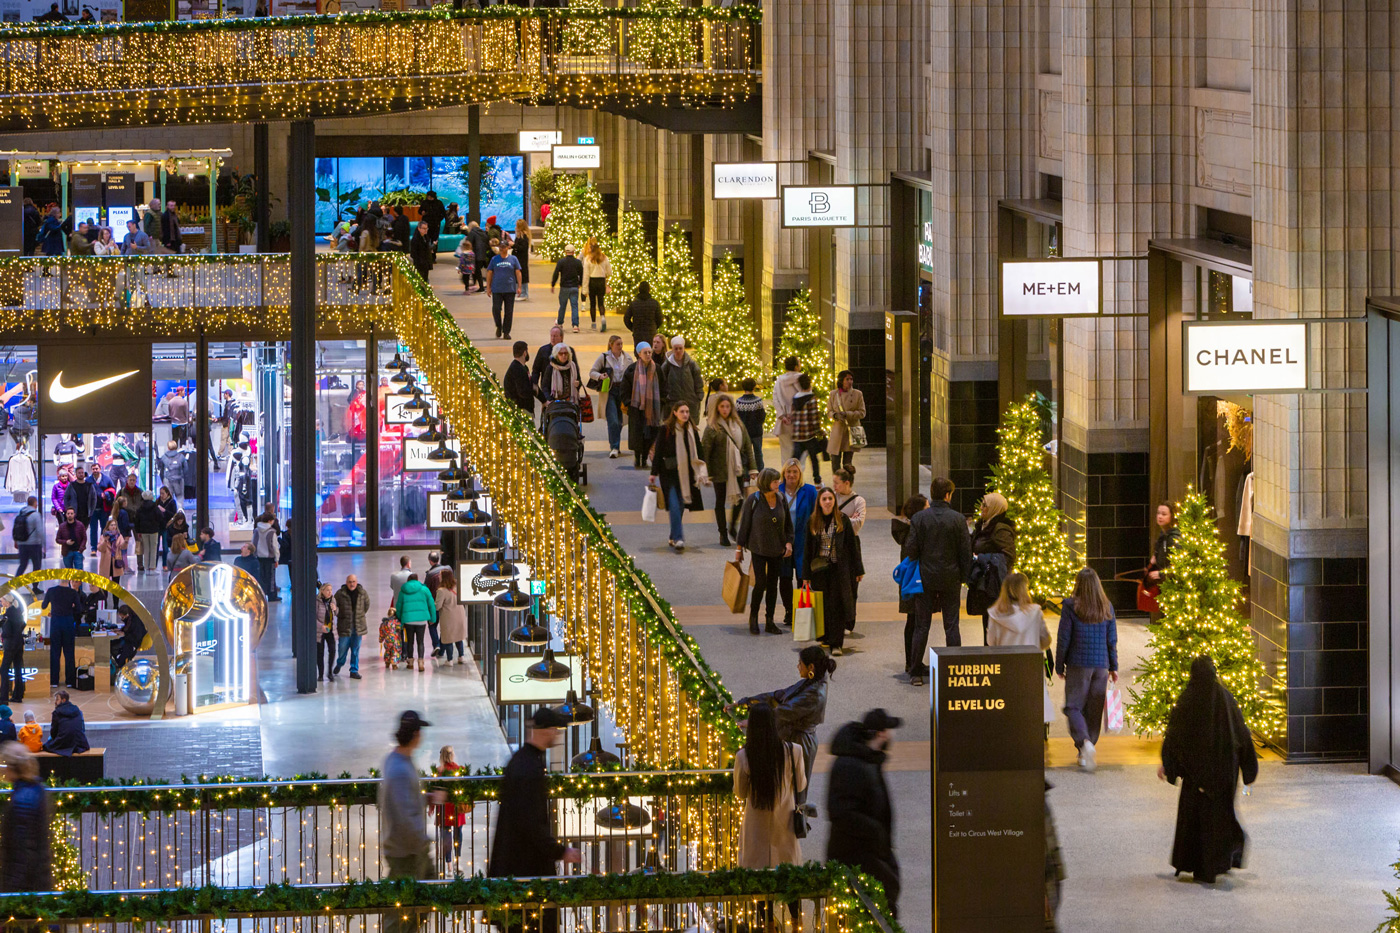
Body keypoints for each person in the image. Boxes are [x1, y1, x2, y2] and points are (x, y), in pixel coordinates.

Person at [1158, 655, 1260, 884]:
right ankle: (1217, 863)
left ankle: (1196, 863)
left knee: (1195, 818)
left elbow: (1174, 736)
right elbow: (1242, 733)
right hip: (1225, 772)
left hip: (1197, 776)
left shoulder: (1187, 700)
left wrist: (1169, 765)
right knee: (1220, 818)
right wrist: (1249, 768)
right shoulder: (1226, 699)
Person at [490, 706, 581, 888]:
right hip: (525, 868)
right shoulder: (530, 769)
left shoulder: (522, 761)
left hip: (513, 864)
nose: (557, 735)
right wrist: (560, 851)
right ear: (547, 731)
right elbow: (531, 821)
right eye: (555, 730)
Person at [727, 645, 834, 798]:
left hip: (801, 743)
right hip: (791, 737)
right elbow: (778, 695)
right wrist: (745, 702)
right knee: (785, 786)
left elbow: (781, 712)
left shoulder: (814, 693)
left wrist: (753, 721)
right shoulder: (811, 681)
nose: (798, 667)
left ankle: (797, 821)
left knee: (796, 789)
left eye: (800, 664)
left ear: (811, 667)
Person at [826, 709, 903, 918]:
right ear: (881, 734)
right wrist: (876, 832)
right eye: (888, 730)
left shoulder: (867, 761)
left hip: (868, 855)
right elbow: (841, 813)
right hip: (857, 859)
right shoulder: (851, 765)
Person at [379, 710, 446, 931]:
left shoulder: (396, 759)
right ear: (416, 734)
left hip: (408, 850)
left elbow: (403, 800)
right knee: (401, 916)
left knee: (419, 901)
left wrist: (425, 799)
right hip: (407, 852)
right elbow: (403, 817)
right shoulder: (399, 769)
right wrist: (422, 842)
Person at [900, 477, 972, 685]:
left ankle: (915, 673)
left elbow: (911, 550)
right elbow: (965, 552)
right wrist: (964, 578)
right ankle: (954, 669)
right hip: (951, 578)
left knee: (922, 626)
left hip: (925, 578)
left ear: (932, 493)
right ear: (949, 494)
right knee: (951, 625)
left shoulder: (920, 518)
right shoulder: (958, 519)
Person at [1055, 567, 1119, 772]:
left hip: (1078, 664)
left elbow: (1063, 638)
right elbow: (1111, 641)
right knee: (1093, 710)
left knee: (1073, 707)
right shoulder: (1107, 606)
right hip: (1101, 665)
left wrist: (1059, 664)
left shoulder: (1070, 606)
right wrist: (1113, 666)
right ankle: (1085, 750)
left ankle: (1084, 744)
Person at [733, 704, 805, 870]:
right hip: (784, 824)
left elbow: (740, 792)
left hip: (755, 827)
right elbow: (800, 785)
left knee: (757, 878)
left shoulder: (744, 756)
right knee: (787, 875)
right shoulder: (794, 751)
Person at [802, 486, 864, 655]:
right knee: (824, 605)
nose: (828, 502)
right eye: (824, 499)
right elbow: (807, 549)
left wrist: (859, 570)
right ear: (819, 503)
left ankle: (836, 643)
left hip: (839, 569)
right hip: (819, 570)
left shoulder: (842, 520)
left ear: (834, 502)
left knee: (837, 605)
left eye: (830, 499)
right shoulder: (813, 521)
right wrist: (805, 575)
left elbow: (852, 547)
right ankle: (826, 636)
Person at [987, 572, 1055, 725]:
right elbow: (1045, 639)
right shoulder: (1035, 612)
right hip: (1031, 667)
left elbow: (991, 642)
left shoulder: (995, 615)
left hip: (1005, 667)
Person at [735, 468, 793, 635]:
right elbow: (744, 525)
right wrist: (739, 549)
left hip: (777, 550)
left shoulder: (781, 498)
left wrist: (789, 543)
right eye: (775, 481)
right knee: (760, 583)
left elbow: (788, 524)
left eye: (778, 481)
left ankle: (769, 620)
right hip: (759, 548)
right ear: (766, 482)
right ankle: (753, 618)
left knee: (773, 585)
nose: (779, 484)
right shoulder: (754, 500)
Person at [701, 393, 756, 547]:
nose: (725, 409)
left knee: (739, 501)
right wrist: (705, 472)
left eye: (727, 406)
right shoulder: (712, 428)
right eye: (722, 407)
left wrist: (752, 468)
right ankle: (723, 533)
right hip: (719, 471)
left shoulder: (738, 425)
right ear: (717, 408)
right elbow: (705, 451)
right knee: (720, 502)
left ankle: (732, 528)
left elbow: (747, 447)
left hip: (737, 469)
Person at [650, 402, 705, 552]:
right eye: (682, 411)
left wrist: (702, 470)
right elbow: (659, 451)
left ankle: (673, 534)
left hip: (687, 474)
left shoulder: (692, 431)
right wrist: (653, 473)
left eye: (687, 411)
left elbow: (699, 452)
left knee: (680, 506)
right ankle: (679, 538)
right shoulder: (666, 429)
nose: (685, 414)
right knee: (674, 504)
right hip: (668, 473)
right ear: (674, 412)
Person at [0, 743, 51, 894]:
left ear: (10, 768)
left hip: (24, 887)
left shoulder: (22, 800)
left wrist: (11, 890)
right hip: (38, 879)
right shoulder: (37, 788)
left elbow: (22, 851)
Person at [970, 491, 1016, 643]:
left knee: (994, 622)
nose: (982, 508)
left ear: (995, 508)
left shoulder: (1000, 530)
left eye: (985, 505)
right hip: (986, 583)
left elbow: (1008, 557)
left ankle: (994, 655)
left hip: (996, 584)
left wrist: (981, 558)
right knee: (988, 621)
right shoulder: (984, 525)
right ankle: (988, 652)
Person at [777, 460, 818, 627]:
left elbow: (816, 512)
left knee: (803, 577)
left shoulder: (809, 491)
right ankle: (788, 611)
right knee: (785, 577)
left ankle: (802, 611)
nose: (791, 475)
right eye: (788, 471)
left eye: (795, 471)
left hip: (804, 540)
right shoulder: (777, 490)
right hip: (783, 540)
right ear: (784, 473)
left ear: (800, 474)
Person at [619, 342, 663, 469]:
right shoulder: (632, 370)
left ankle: (645, 457)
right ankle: (638, 457)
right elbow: (624, 388)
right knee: (638, 434)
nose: (648, 355)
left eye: (650, 352)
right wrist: (628, 403)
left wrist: (662, 401)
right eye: (645, 352)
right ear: (639, 354)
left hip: (652, 409)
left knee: (650, 433)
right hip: (636, 408)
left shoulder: (657, 369)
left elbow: (663, 387)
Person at [590, 335, 632, 458]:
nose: (620, 347)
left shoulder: (627, 358)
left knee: (620, 422)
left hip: (623, 391)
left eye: (621, 344)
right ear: (611, 345)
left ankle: (616, 445)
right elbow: (592, 372)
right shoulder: (604, 357)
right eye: (618, 344)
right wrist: (600, 376)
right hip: (609, 391)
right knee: (612, 420)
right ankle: (614, 447)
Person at [394, 573, 437, 672]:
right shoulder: (424, 589)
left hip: (408, 620)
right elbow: (431, 605)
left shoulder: (403, 591)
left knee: (410, 641)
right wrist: (432, 619)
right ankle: (421, 662)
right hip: (421, 620)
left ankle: (410, 662)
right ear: (417, 580)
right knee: (420, 641)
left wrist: (400, 618)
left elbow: (399, 606)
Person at [827, 370, 866, 471]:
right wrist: (835, 415)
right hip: (837, 431)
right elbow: (829, 412)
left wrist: (848, 414)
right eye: (847, 379)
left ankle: (847, 483)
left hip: (851, 432)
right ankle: (837, 483)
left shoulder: (858, 394)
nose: (850, 381)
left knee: (847, 464)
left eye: (851, 379)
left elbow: (862, 413)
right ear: (841, 380)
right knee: (835, 463)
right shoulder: (833, 394)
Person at [789, 373, 824, 485]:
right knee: (814, 459)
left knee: (794, 460)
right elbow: (814, 418)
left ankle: (789, 479)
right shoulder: (811, 398)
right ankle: (817, 480)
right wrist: (819, 431)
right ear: (810, 384)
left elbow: (793, 416)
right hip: (808, 435)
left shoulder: (795, 398)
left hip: (797, 435)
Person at [434, 745, 466, 868]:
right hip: (456, 807)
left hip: (444, 808)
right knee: (458, 834)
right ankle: (458, 862)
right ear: (452, 755)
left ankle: (448, 866)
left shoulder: (438, 771)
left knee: (446, 835)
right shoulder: (459, 770)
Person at [333, 574, 368, 680]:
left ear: (356, 582)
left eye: (353, 582)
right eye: (349, 582)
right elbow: (335, 609)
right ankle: (340, 663)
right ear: (346, 582)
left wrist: (359, 615)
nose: (351, 584)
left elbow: (366, 605)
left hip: (358, 627)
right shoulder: (340, 594)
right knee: (342, 648)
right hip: (344, 627)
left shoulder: (362, 593)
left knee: (355, 650)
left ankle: (354, 670)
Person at [487, 241, 523, 339]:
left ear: (508, 247)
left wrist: (519, 286)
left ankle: (506, 332)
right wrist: (488, 287)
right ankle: (499, 325)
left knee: (509, 311)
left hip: (509, 289)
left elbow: (518, 272)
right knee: (496, 309)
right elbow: (490, 272)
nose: (502, 249)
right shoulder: (494, 259)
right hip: (497, 289)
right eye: (500, 247)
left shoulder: (513, 259)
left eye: (504, 247)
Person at [662, 336, 703, 416]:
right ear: (672, 349)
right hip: (672, 403)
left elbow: (698, 383)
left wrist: (698, 398)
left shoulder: (692, 365)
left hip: (690, 403)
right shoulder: (666, 366)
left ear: (684, 348)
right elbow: (662, 383)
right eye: (676, 348)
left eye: (680, 348)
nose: (678, 351)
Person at [772, 357, 802, 464]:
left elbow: (775, 399)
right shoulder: (802, 379)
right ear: (795, 366)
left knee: (785, 452)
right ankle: (798, 476)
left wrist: (782, 416)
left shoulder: (779, 380)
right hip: (800, 421)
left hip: (784, 421)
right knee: (800, 454)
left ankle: (786, 476)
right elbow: (806, 398)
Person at [435, 570, 467, 664]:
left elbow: (438, 606)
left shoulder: (441, 591)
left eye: (440, 575)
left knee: (449, 638)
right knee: (458, 637)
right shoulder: (457, 586)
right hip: (460, 615)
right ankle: (461, 656)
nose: (438, 577)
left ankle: (450, 660)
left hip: (448, 617)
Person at [43, 690, 89, 756]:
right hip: (79, 743)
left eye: (57, 700)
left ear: (63, 700)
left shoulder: (57, 712)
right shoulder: (78, 710)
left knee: (47, 743)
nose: (55, 702)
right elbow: (82, 728)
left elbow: (53, 732)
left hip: (63, 742)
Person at [735, 378, 767, 472]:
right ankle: (761, 473)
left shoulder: (739, 402)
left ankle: (746, 475)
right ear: (754, 387)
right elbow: (762, 416)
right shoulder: (758, 401)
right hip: (756, 432)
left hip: (744, 433)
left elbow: (737, 418)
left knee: (746, 454)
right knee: (758, 453)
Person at [1146, 501, 1181, 586]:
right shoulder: (1163, 536)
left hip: (1172, 585)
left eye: (1164, 514)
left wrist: (1161, 574)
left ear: (1172, 516)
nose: (1159, 516)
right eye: (1158, 513)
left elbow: (1179, 564)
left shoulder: (1174, 538)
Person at [551, 244, 584, 332]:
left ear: (565, 252)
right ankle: (575, 325)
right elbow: (581, 274)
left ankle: (560, 323)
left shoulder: (561, 262)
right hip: (574, 287)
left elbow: (556, 273)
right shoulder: (578, 262)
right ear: (574, 252)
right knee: (574, 306)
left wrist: (553, 284)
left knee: (562, 306)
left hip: (564, 287)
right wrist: (580, 283)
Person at [12, 497, 42, 588]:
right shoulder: (36, 515)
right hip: (34, 544)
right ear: (35, 503)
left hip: (22, 544)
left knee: (23, 565)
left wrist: (16, 541)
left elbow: (16, 529)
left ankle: (15, 584)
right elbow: (39, 531)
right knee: (36, 566)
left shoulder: (21, 513)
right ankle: (35, 587)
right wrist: (43, 543)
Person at [583, 238, 610, 331]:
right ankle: (602, 317)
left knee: (593, 303)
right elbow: (609, 272)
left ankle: (593, 323)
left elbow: (586, 275)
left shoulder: (588, 259)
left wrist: (585, 289)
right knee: (601, 302)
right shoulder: (605, 258)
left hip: (592, 281)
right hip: (601, 281)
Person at [624, 281, 663, 347]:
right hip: (651, 332)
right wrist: (654, 327)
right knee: (650, 351)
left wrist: (633, 328)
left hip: (638, 332)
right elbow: (660, 319)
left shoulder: (634, 304)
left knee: (639, 351)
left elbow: (626, 318)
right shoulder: (655, 303)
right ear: (649, 290)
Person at [0, 596, 23, 704]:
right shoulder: (17, 611)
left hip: (10, 645)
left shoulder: (8, 615)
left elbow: (7, 632)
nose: (1, 602)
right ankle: (18, 695)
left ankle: (3, 697)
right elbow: (23, 624)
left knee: (4, 669)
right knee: (18, 668)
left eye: (2, 600)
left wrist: (3, 634)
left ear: (7, 601)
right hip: (19, 643)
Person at [109, 604, 146, 670]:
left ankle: (119, 665)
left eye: (122, 618)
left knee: (114, 648)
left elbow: (135, 636)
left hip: (132, 643)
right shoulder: (131, 619)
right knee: (111, 645)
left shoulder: (136, 622)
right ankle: (117, 663)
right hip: (128, 640)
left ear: (127, 615)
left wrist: (124, 634)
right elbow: (128, 629)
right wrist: (121, 630)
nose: (122, 619)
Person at [504, 340, 535, 417]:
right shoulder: (518, 369)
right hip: (521, 410)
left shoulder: (521, 367)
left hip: (521, 409)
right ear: (525, 353)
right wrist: (533, 389)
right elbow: (523, 392)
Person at [253, 512, 280, 601]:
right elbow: (275, 547)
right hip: (270, 558)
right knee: (271, 578)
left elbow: (253, 543)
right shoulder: (272, 532)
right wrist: (277, 559)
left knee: (261, 577)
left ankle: (261, 594)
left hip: (259, 557)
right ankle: (272, 595)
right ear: (269, 521)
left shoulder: (256, 530)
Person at [133, 491, 163, 573]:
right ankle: (152, 567)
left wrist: (138, 531)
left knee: (146, 549)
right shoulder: (155, 507)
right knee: (153, 549)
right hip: (154, 530)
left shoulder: (140, 507)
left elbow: (137, 520)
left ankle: (146, 566)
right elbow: (160, 517)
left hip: (143, 531)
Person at [314, 582, 337, 683]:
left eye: (331, 590)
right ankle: (320, 674)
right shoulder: (317, 601)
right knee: (320, 652)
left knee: (332, 650)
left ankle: (330, 672)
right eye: (327, 590)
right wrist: (321, 626)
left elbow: (337, 613)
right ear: (322, 591)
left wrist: (335, 609)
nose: (330, 592)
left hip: (330, 629)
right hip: (320, 631)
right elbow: (313, 617)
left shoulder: (332, 600)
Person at [97, 517, 129, 585]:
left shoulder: (119, 536)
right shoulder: (103, 536)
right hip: (106, 563)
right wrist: (105, 541)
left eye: (114, 525)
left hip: (116, 562)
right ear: (108, 527)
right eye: (111, 525)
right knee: (105, 585)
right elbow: (100, 548)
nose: (113, 527)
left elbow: (122, 547)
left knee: (116, 585)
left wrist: (126, 542)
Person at [465, 220, 491, 290]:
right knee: (479, 271)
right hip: (484, 254)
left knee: (476, 271)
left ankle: (480, 287)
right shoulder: (483, 232)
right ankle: (481, 286)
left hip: (475, 254)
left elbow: (468, 243)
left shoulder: (472, 233)